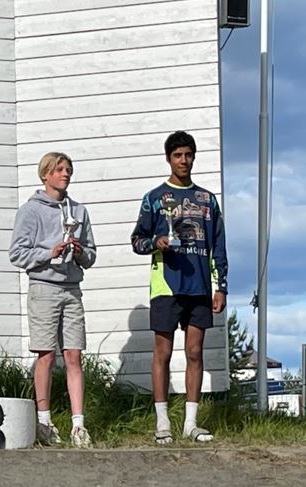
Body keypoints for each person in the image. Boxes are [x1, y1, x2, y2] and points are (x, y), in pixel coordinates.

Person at [130, 130, 227, 444]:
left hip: (199, 286)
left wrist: (221, 287)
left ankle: (190, 423)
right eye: (177, 155)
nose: (183, 160)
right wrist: (155, 243)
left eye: (187, 155)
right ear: (168, 158)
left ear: (194, 158)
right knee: (163, 352)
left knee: (195, 352)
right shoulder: (154, 197)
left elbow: (219, 246)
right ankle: (162, 423)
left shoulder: (208, 200)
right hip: (166, 286)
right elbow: (137, 240)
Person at [9, 152, 96, 447]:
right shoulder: (30, 210)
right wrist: (50, 253)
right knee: (46, 354)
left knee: (74, 355)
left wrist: (80, 252)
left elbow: (91, 255)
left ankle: (78, 424)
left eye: (68, 169)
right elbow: (17, 253)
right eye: (59, 169)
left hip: (72, 289)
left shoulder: (79, 211)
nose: (65, 174)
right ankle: (44, 421)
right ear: (45, 174)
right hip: (44, 287)